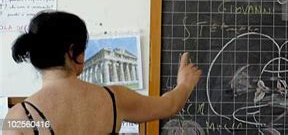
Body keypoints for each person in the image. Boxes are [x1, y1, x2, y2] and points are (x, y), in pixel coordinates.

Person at [2, 11, 201, 134]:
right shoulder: (114, 99)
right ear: (73, 52)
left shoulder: (19, 116)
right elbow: (170, 105)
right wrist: (185, 83)